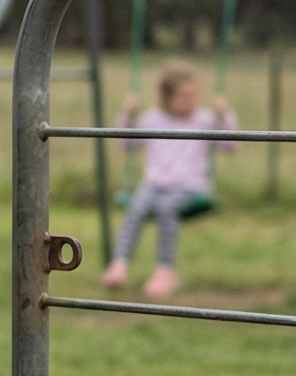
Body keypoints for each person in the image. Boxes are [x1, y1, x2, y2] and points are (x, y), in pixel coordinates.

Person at [100, 62, 234, 300]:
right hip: (153, 186)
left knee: (166, 209)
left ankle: (165, 271)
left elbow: (230, 146)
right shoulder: (153, 119)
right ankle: (119, 264)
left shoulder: (205, 120)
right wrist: (127, 115)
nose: (191, 100)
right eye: (184, 95)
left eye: (194, 95)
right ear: (165, 97)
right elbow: (128, 144)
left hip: (189, 188)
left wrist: (224, 115)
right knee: (136, 208)